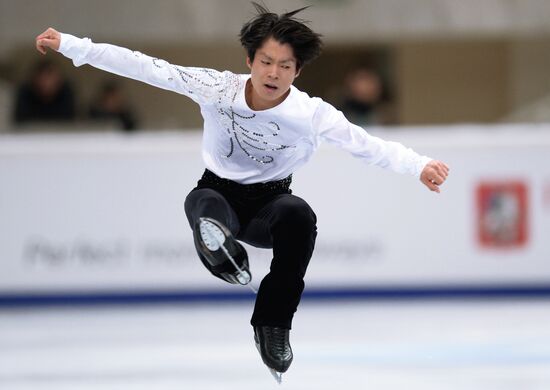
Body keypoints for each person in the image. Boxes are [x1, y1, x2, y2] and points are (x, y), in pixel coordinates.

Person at [35, 2, 449, 379]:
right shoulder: (218, 88)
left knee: (300, 216)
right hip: (217, 192)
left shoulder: (311, 115)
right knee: (203, 205)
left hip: (270, 205)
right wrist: (74, 45)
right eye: (266, 61)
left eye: (285, 66)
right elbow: (146, 67)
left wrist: (417, 165)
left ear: (297, 71)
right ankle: (220, 250)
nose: (273, 73)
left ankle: (272, 325)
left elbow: (366, 144)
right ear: (249, 60)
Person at [13, 59, 76, 125]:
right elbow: (21, 121)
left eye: (50, 77)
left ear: (58, 79)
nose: (47, 82)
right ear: (35, 78)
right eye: (43, 78)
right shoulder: (25, 93)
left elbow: (69, 121)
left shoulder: (66, 92)